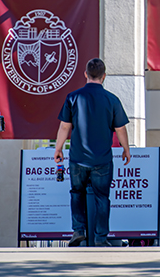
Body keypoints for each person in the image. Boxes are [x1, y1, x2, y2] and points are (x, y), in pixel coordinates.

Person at [54, 58, 131, 247]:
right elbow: (120, 128)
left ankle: (78, 230)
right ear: (104, 76)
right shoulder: (112, 99)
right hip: (102, 160)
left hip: (78, 158)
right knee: (102, 197)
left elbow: (65, 126)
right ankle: (100, 238)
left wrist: (58, 148)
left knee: (76, 193)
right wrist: (126, 149)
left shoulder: (73, 97)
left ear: (85, 74)